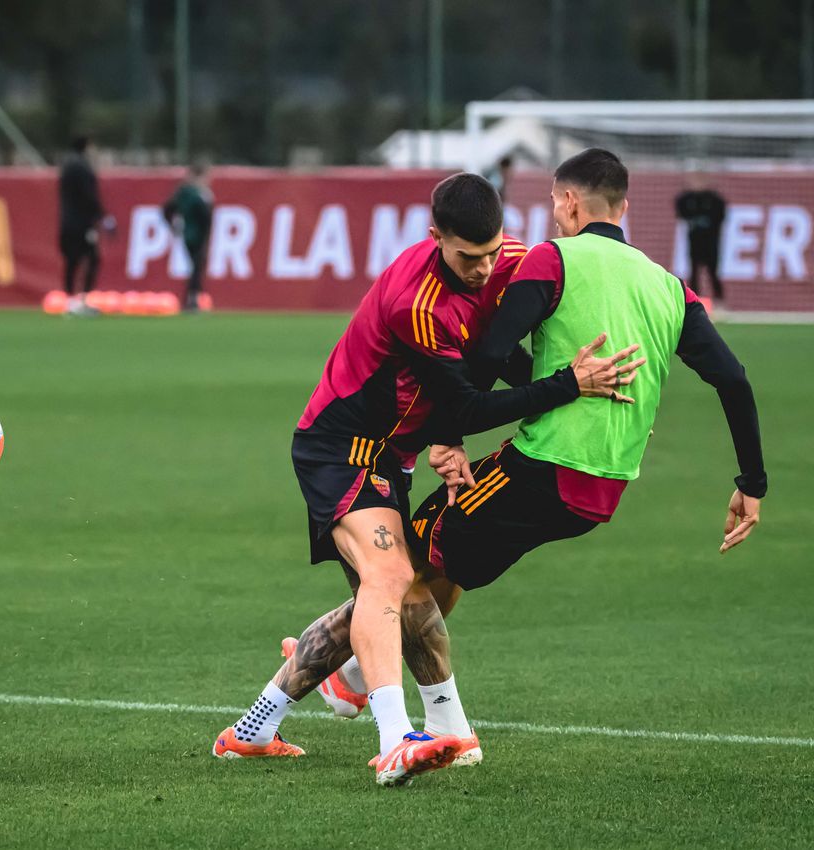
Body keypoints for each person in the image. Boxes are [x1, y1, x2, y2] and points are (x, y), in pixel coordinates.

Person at [292, 149, 766, 723]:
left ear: (567, 202)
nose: (489, 268)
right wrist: (752, 481)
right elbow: (734, 379)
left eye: (551, 202)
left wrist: (464, 431)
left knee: (398, 568)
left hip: (545, 464)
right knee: (439, 566)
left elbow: (484, 366)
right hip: (607, 488)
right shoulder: (669, 286)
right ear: (624, 206)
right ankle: (358, 682)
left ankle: (339, 679)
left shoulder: (548, 259)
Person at [211, 173, 645, 787]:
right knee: (392, 579)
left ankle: (256, 728)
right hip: (341, 450)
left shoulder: (510, 259)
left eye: (493, 252)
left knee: (420, 588)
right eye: (470, 257)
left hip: (395, 458)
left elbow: (499, 356)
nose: (484, 268)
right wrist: (567, 386)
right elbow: (467, 400)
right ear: (435, 235)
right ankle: (398, 740)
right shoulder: (417, 303)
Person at [58, 135, 113, 300]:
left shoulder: (67, 165)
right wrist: (103, 217)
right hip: (81, 224)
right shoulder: (82, 167)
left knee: (72, 261)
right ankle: (83, 298)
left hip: (67, 222)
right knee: (91, 259)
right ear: (86, 147)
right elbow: (89, 197)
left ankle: (69, 299)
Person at [163, 161, 215, 312]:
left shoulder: (184, 192)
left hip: (189, 233)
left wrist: (172, 225)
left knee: (195, 267)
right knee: (197, 267)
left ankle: (191, 299)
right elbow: (204, 216)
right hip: (196, 234)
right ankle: (191, 300)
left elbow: (167, 209)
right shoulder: (195, 193)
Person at [675, 176, 727, 303]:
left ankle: (719, 301)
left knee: (713, 272)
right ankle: (693, 301)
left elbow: (721, 214)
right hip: (694, 243)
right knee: (694, 272)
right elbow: (679, 207)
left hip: (711, 244)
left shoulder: (713, 199)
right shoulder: (688, 199)